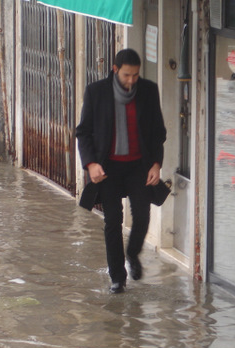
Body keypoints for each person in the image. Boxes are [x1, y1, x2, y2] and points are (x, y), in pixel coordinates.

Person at [76, 49, 166, 294]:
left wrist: (156, 164)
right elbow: (83, 132)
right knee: (112, 221)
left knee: (143, 216)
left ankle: (133, 253)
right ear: (115, 70)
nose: (131, 81)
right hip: (109, 168)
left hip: (139, 166)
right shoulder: (97, 92)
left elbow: (158, 133)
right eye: (127, 75)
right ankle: (117, 277)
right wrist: (91, 164)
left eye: (136, 75)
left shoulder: (148, 91)